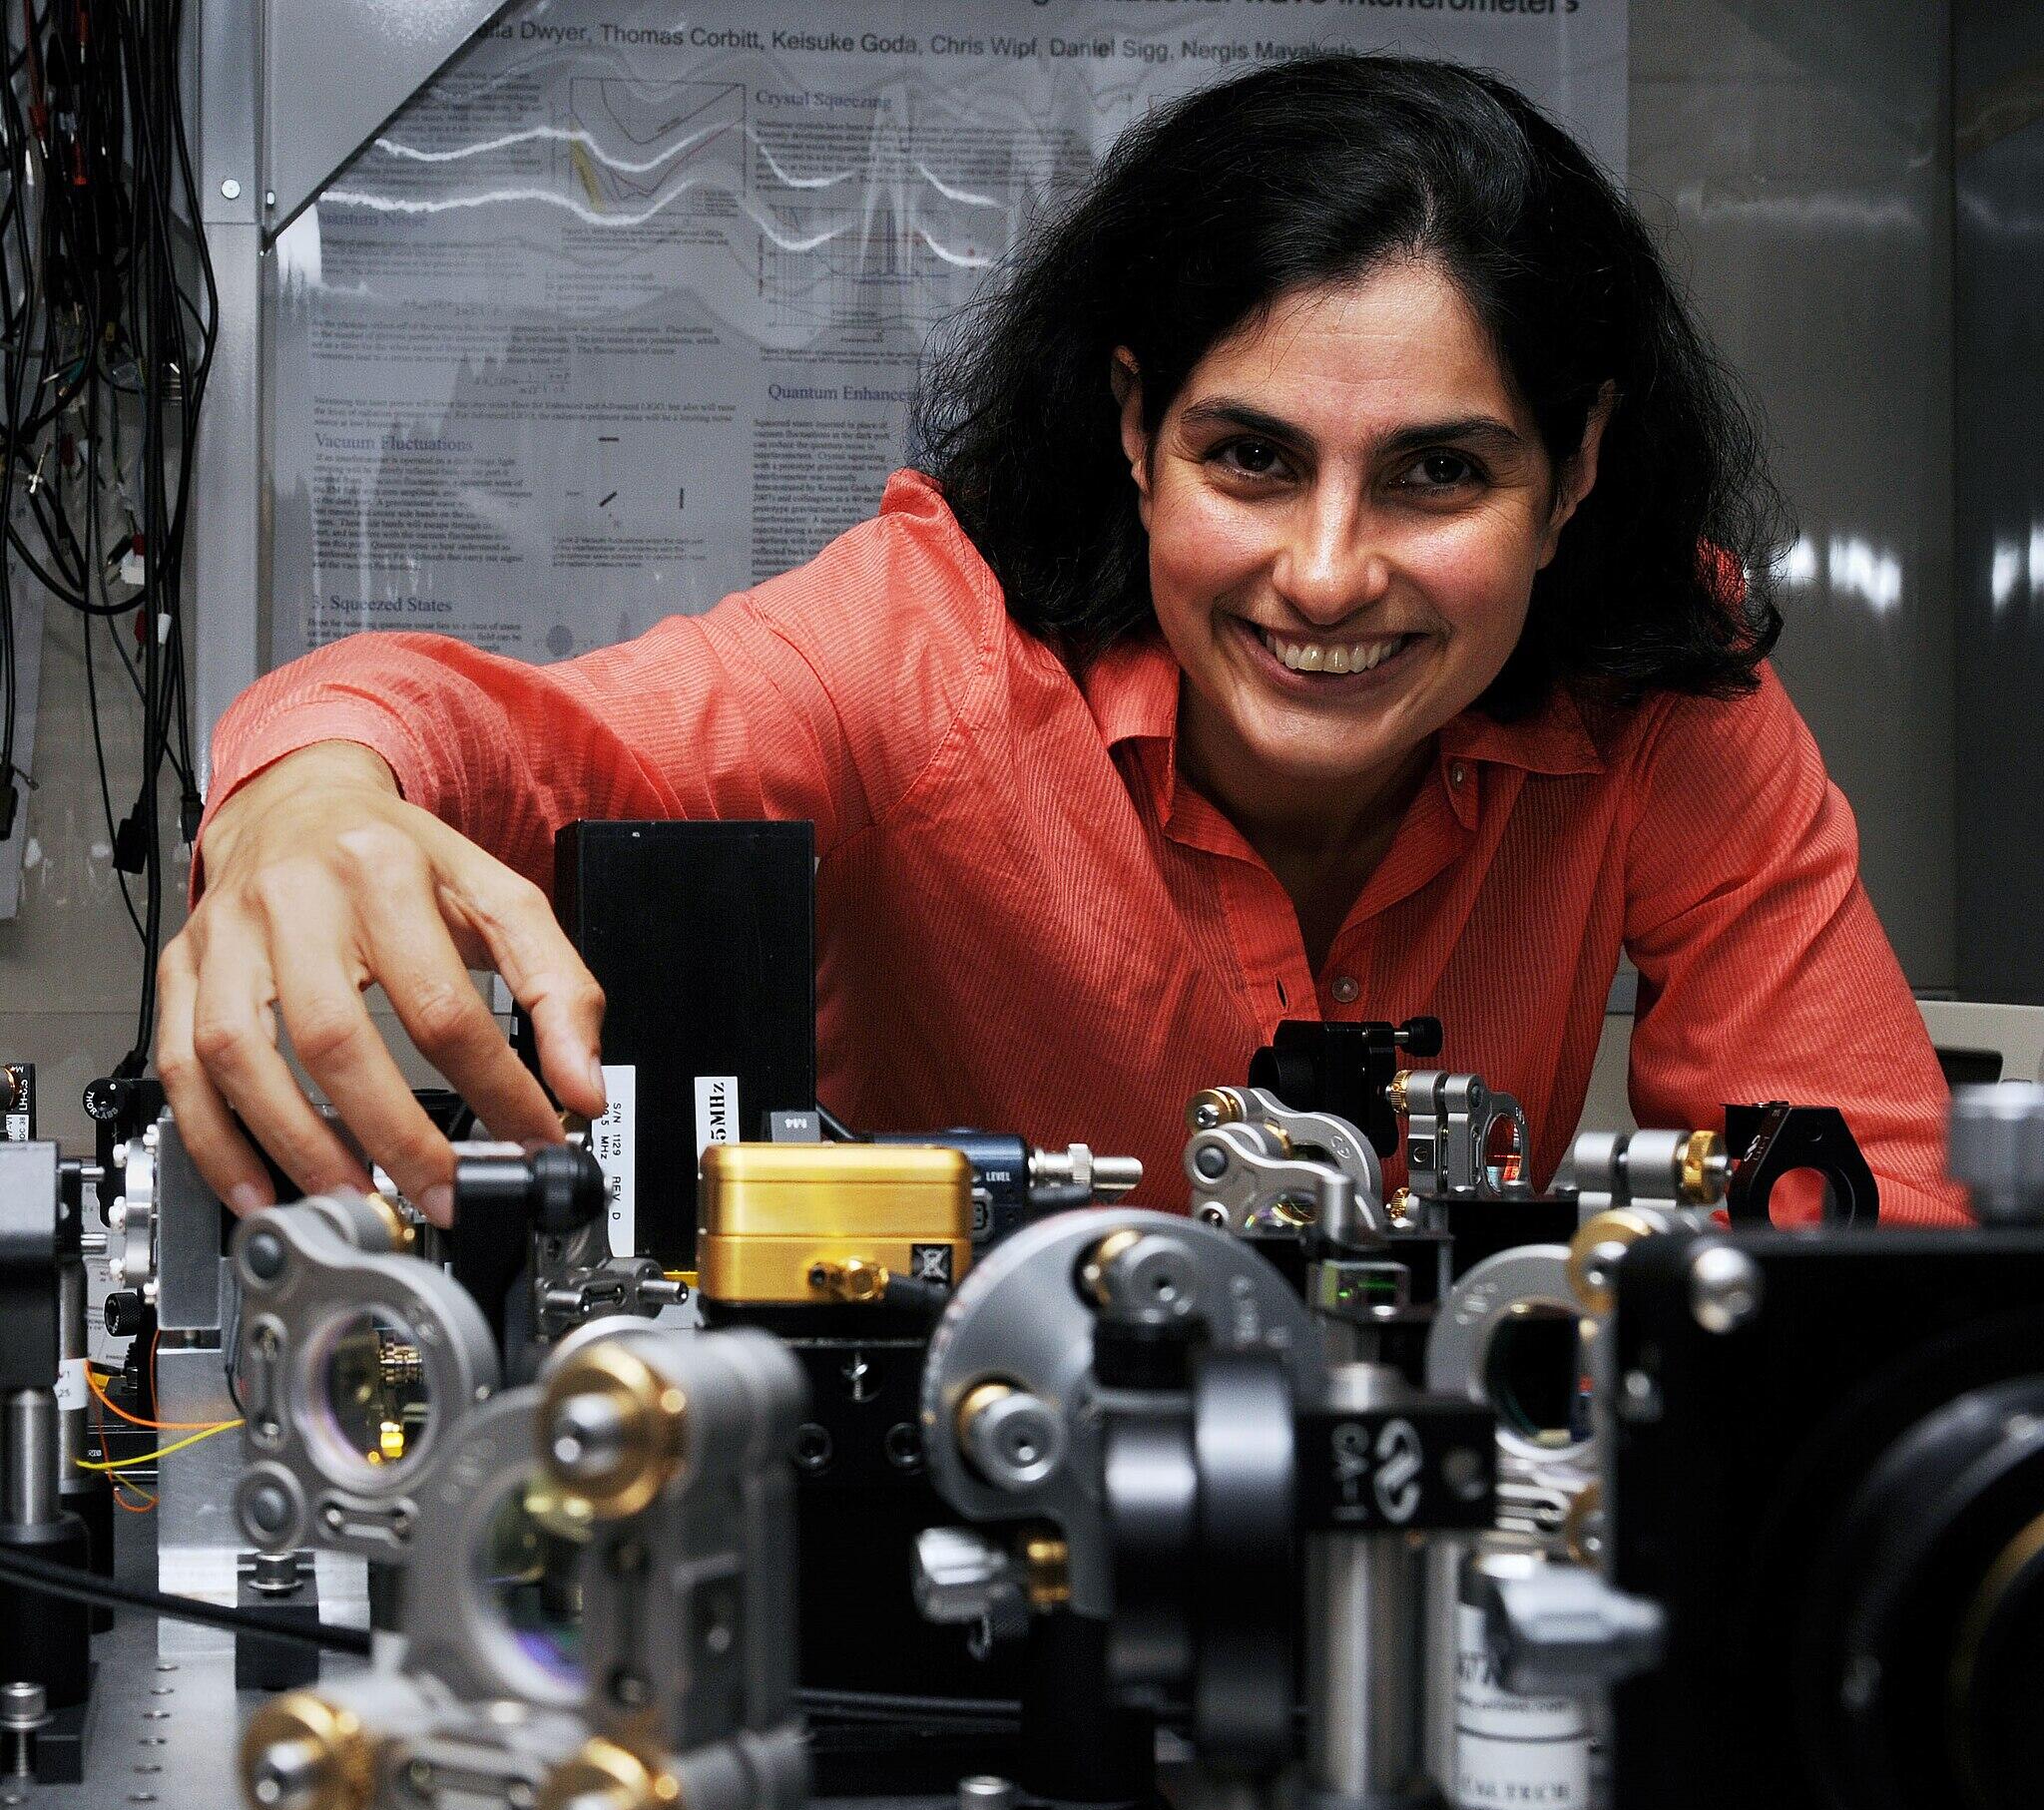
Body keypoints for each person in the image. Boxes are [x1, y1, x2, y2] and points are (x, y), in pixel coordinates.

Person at [162, 53, 1963, 1229]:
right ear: (1132, 430)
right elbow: (521, 748)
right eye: (1250, 459)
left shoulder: (1665, 686)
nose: (1329, 578)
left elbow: (1862, 1225)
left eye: (1439, 474)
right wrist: (303, 797)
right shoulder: (922, 658)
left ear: (1576, 473)